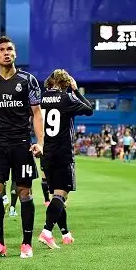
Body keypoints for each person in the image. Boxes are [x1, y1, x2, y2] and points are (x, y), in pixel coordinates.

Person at [0, 36, 44, 259]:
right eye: (1, 49)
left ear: (15, 54)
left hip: (21, 143)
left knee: (24, 191)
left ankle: (26, 244)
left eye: (10, 49)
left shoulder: (27, 80)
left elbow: (37, 113)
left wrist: (40, 142)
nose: (6, 52)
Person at [37, 69, 93, 249]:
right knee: (61, 195)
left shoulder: (41, 98)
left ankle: (65, 233)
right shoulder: (66, 98)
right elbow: (89, 110)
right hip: (62, 154)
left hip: (46, 153)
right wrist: (76, 91)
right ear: (65, 82)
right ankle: (46, 231)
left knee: (56, 196)